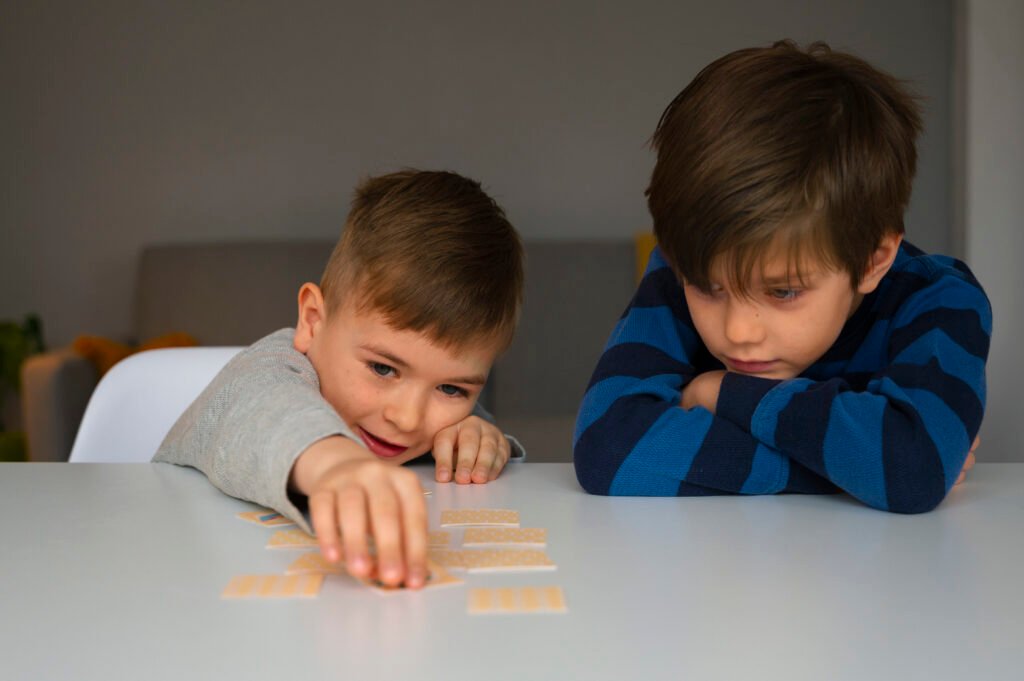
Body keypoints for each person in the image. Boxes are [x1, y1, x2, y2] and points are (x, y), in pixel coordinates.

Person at [574, 40, 990, 513]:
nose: (738, 332)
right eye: (708, 288)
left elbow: (911, 470)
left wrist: (720, 392)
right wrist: (857, 468)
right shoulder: (679, 266)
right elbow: (609, 451)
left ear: (874, 260)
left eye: (784, 291)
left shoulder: (939, 299)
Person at [155, 169, 524, 588]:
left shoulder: (424, 417)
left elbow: (456, 446)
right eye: (383, 368)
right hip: (178, 582)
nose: (407, 417)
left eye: (451, 389)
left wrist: (479, 437)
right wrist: (338, 465)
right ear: (313, 321)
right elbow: (266, 413)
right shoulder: (268, 371)